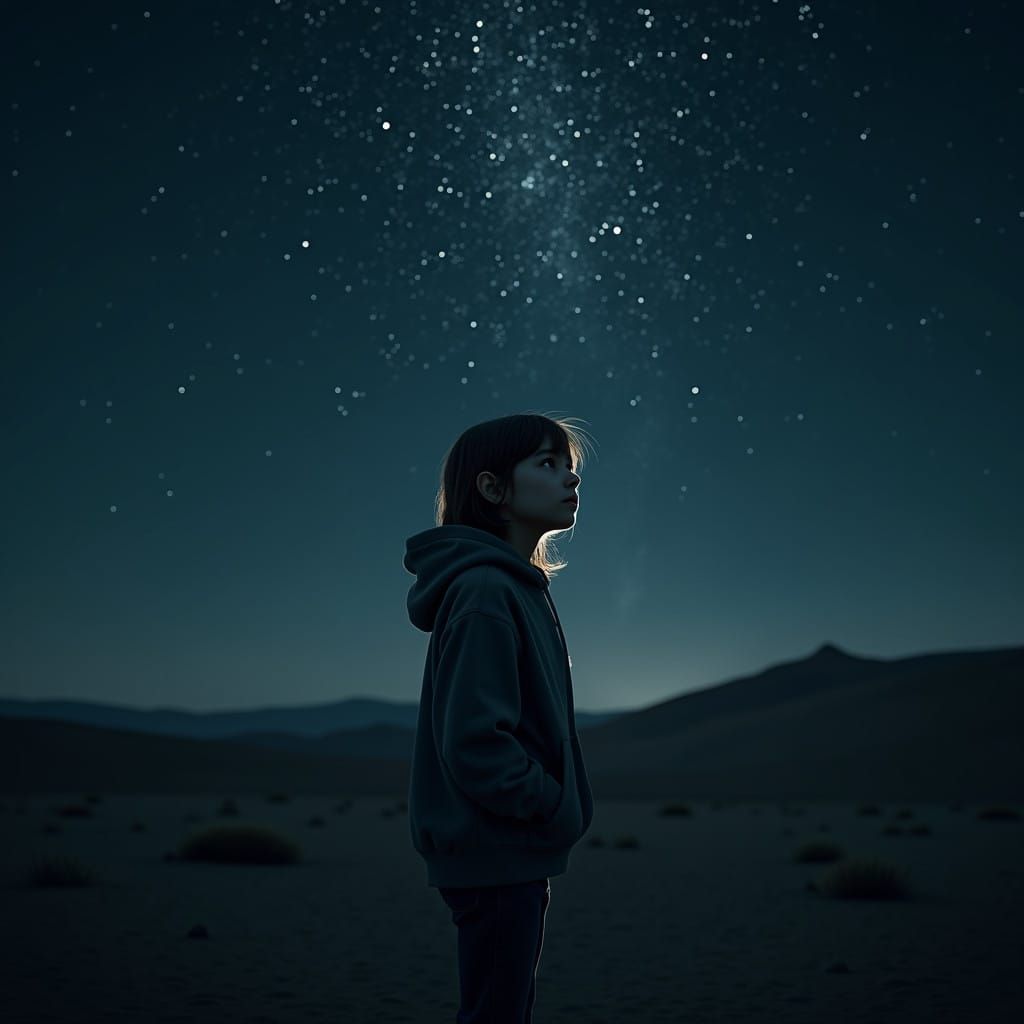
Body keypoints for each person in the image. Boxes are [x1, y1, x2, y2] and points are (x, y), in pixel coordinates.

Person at [403, 411, 596, 1024]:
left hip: (508, 851)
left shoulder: (515, 588)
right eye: (546, 464)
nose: (569, 479)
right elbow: (476, 742)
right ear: (492, 489)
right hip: (496, 850)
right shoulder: (486, 591)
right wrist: (546, 803)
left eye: (570, 467)